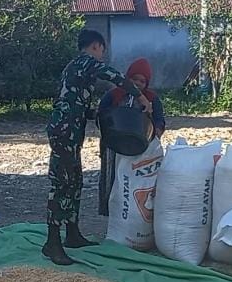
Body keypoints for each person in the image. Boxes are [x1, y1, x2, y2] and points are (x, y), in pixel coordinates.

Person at [43, 29, 152, 266]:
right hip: (64, 132)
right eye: (102, 49)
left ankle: (72, 233)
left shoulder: (74, 68)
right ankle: (52, 242)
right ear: (96, 46)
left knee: (75, 182)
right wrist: (140, 97)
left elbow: (74, 102)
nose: (102, 54)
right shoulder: (86, 62)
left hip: (70, 129)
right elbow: (114, 76)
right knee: (62, 184)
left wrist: (102, 115)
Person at [96, 58, 166, 217]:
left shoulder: (151, 98)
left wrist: (156, 132)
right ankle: (110, 210)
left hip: (140, 145)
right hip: (113, 146)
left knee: (134, 178)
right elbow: (101, 114)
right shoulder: (114, 95)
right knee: (112, 177)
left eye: (142, 81)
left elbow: (159, 120)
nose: (138, 83)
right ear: (127, 79)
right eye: (134, 79)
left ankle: (133, 209)